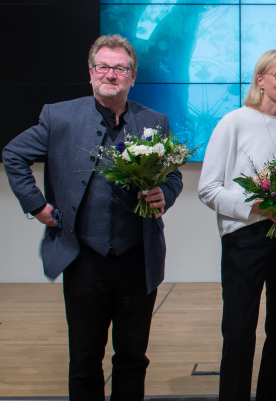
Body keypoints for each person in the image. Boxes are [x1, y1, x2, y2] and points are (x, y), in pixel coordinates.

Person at [2, 34, 184, 400]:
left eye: (120, 68)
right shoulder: (59, 116)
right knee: (84, 359)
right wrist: (37, 206)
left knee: (133, 358)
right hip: (82, 257)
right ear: (91, 73)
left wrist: (163, 194)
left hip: (138, 259)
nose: (111, 74)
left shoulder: (155, 121)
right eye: (103, 66)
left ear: (133, 77)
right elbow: (13, 154)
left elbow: (174, 176)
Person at [198, 50, 276, 401]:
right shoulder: (233, 122)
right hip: (244, 236)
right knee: (238, 329)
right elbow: (208, 188)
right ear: (259, 80)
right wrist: (257, 207)